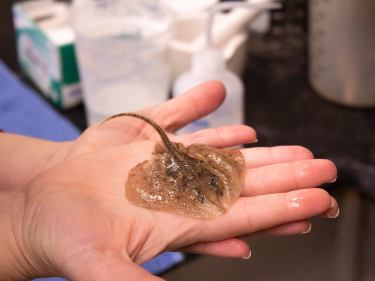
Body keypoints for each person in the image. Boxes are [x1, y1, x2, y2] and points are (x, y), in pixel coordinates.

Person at [0, 81, 338, 281]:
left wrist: (46, 163)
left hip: (196, 162)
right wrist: (19, 237)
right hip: (170, 167)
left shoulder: (216, 168)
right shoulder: (159, 177)